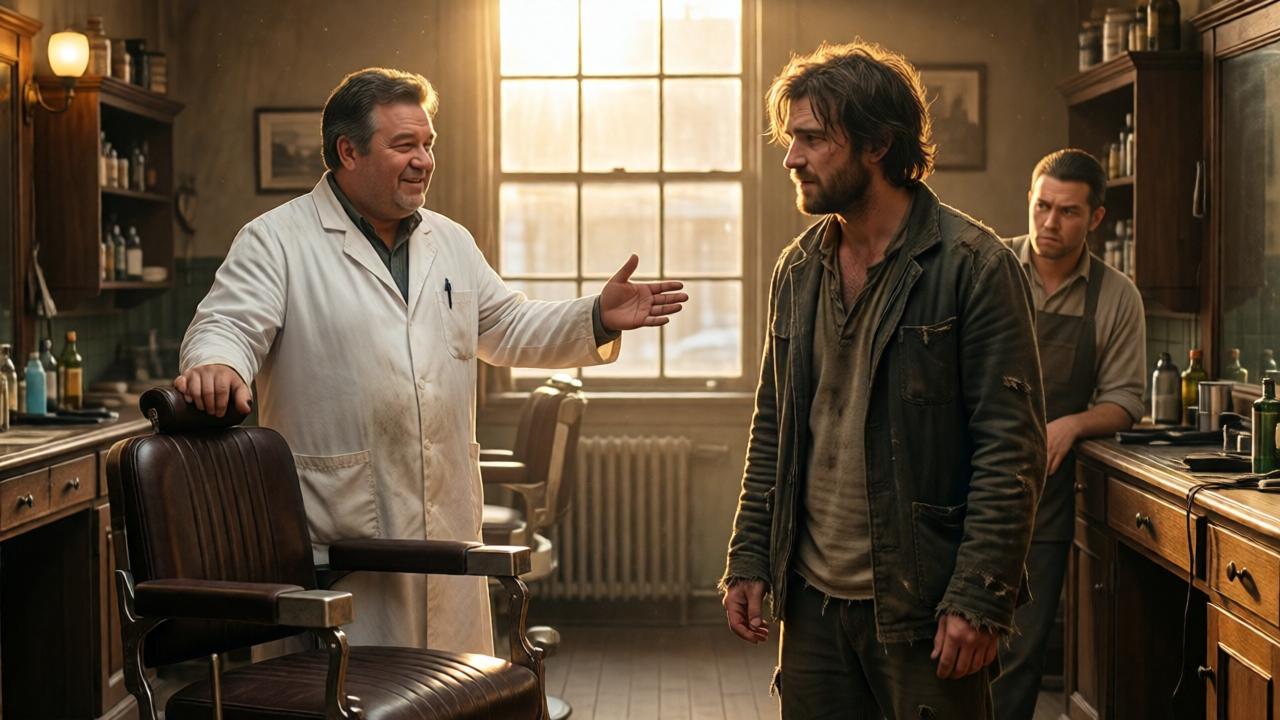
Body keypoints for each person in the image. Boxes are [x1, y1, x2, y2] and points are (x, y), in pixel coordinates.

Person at [175, 67, 687, 655]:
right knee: (352, 694)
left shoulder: (451, 242)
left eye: (428, 144)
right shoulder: (276, 240)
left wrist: (596, 314)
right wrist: (218, 364)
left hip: (445, 531)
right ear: (348, 151)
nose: (423, 159)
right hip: (339, 539)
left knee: (448, 692)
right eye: (403, 145)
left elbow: (507, 326)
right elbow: (228, 323)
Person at [720, 40, 1046, 718]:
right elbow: (774, 426)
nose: (791, 158)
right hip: (811, 603)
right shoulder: (799, 269)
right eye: (791, 139)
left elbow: (1009, 450)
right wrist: (750, 555)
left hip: (923, 604)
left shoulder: (973, 268)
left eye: (812, 139)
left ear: (876, 144)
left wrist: (980, 597)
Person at [993, 149, 1145, 720]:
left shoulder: (1115, 296)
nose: (1050, 223)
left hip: (1045, 499)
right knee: (940, 644)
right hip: (962, 487)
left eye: (1069, 212)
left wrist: (1072, 424)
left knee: (1018, 652)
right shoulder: (990, 268)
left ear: (1097, 218)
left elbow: (1126, 399)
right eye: (1042, 207)